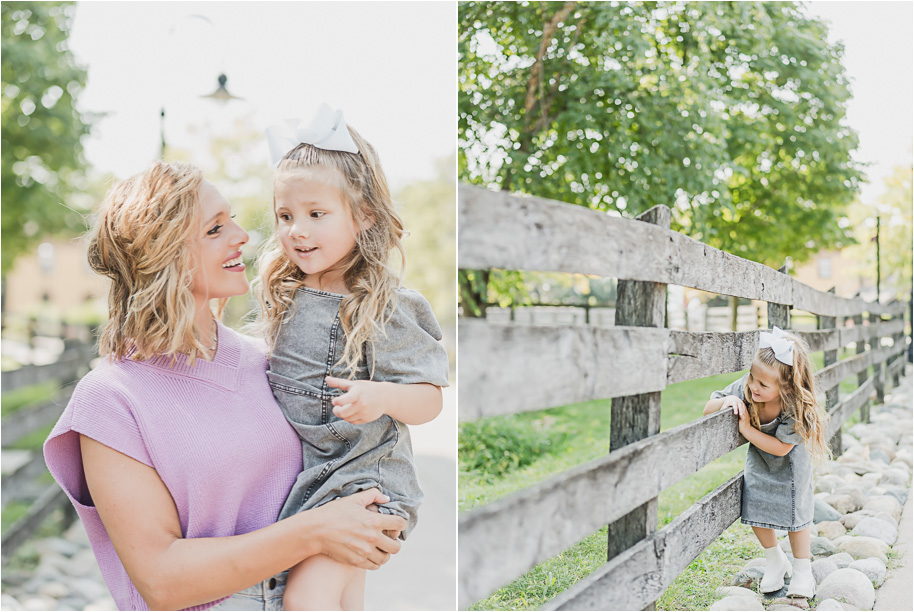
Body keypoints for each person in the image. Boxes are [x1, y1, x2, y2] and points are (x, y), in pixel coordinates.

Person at [44, 161, 408, 611]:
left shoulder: (271, 362)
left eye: (232, 219)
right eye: (216, 229)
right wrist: (317, 530)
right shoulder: (111, 399)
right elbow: (162, 581)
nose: (243, 235)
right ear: (165, 255)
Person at [255, 105, 449, 611]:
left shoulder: (384, 304)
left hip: (368, 480)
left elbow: (429, 401)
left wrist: (381, 395)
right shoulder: (288, 293)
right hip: (314, 480)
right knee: (343, 602)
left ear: (363, 215)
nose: (297, 229)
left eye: (316, 214)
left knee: (304, 599)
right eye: (285, 215)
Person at [703, 327, 829, 599]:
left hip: (792, 466)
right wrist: (727, 400)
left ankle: (803, 569)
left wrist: (747, 430)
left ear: (785, 387)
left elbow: (783, 448)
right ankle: (774, 559)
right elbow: (707, 407)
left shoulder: (795, 404)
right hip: (760, 461)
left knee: (796, 515)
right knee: (755, 504)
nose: (753, 387)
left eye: (762, 385)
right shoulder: (749, 386)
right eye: (751, 378)